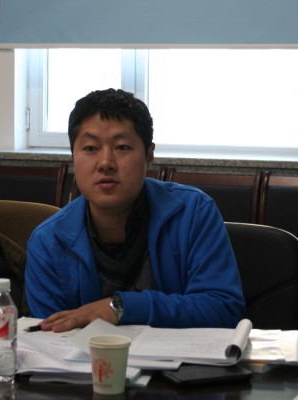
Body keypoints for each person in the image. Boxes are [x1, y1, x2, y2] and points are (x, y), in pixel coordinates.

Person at [25, 88, 245, 332]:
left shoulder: (193, 213)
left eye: (122, 147)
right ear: (72, 156)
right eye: (90, 148)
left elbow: (223, 308)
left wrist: (120, 307)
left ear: (149, 155)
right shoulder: (48, 241)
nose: (106, 163)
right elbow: (49, 338)